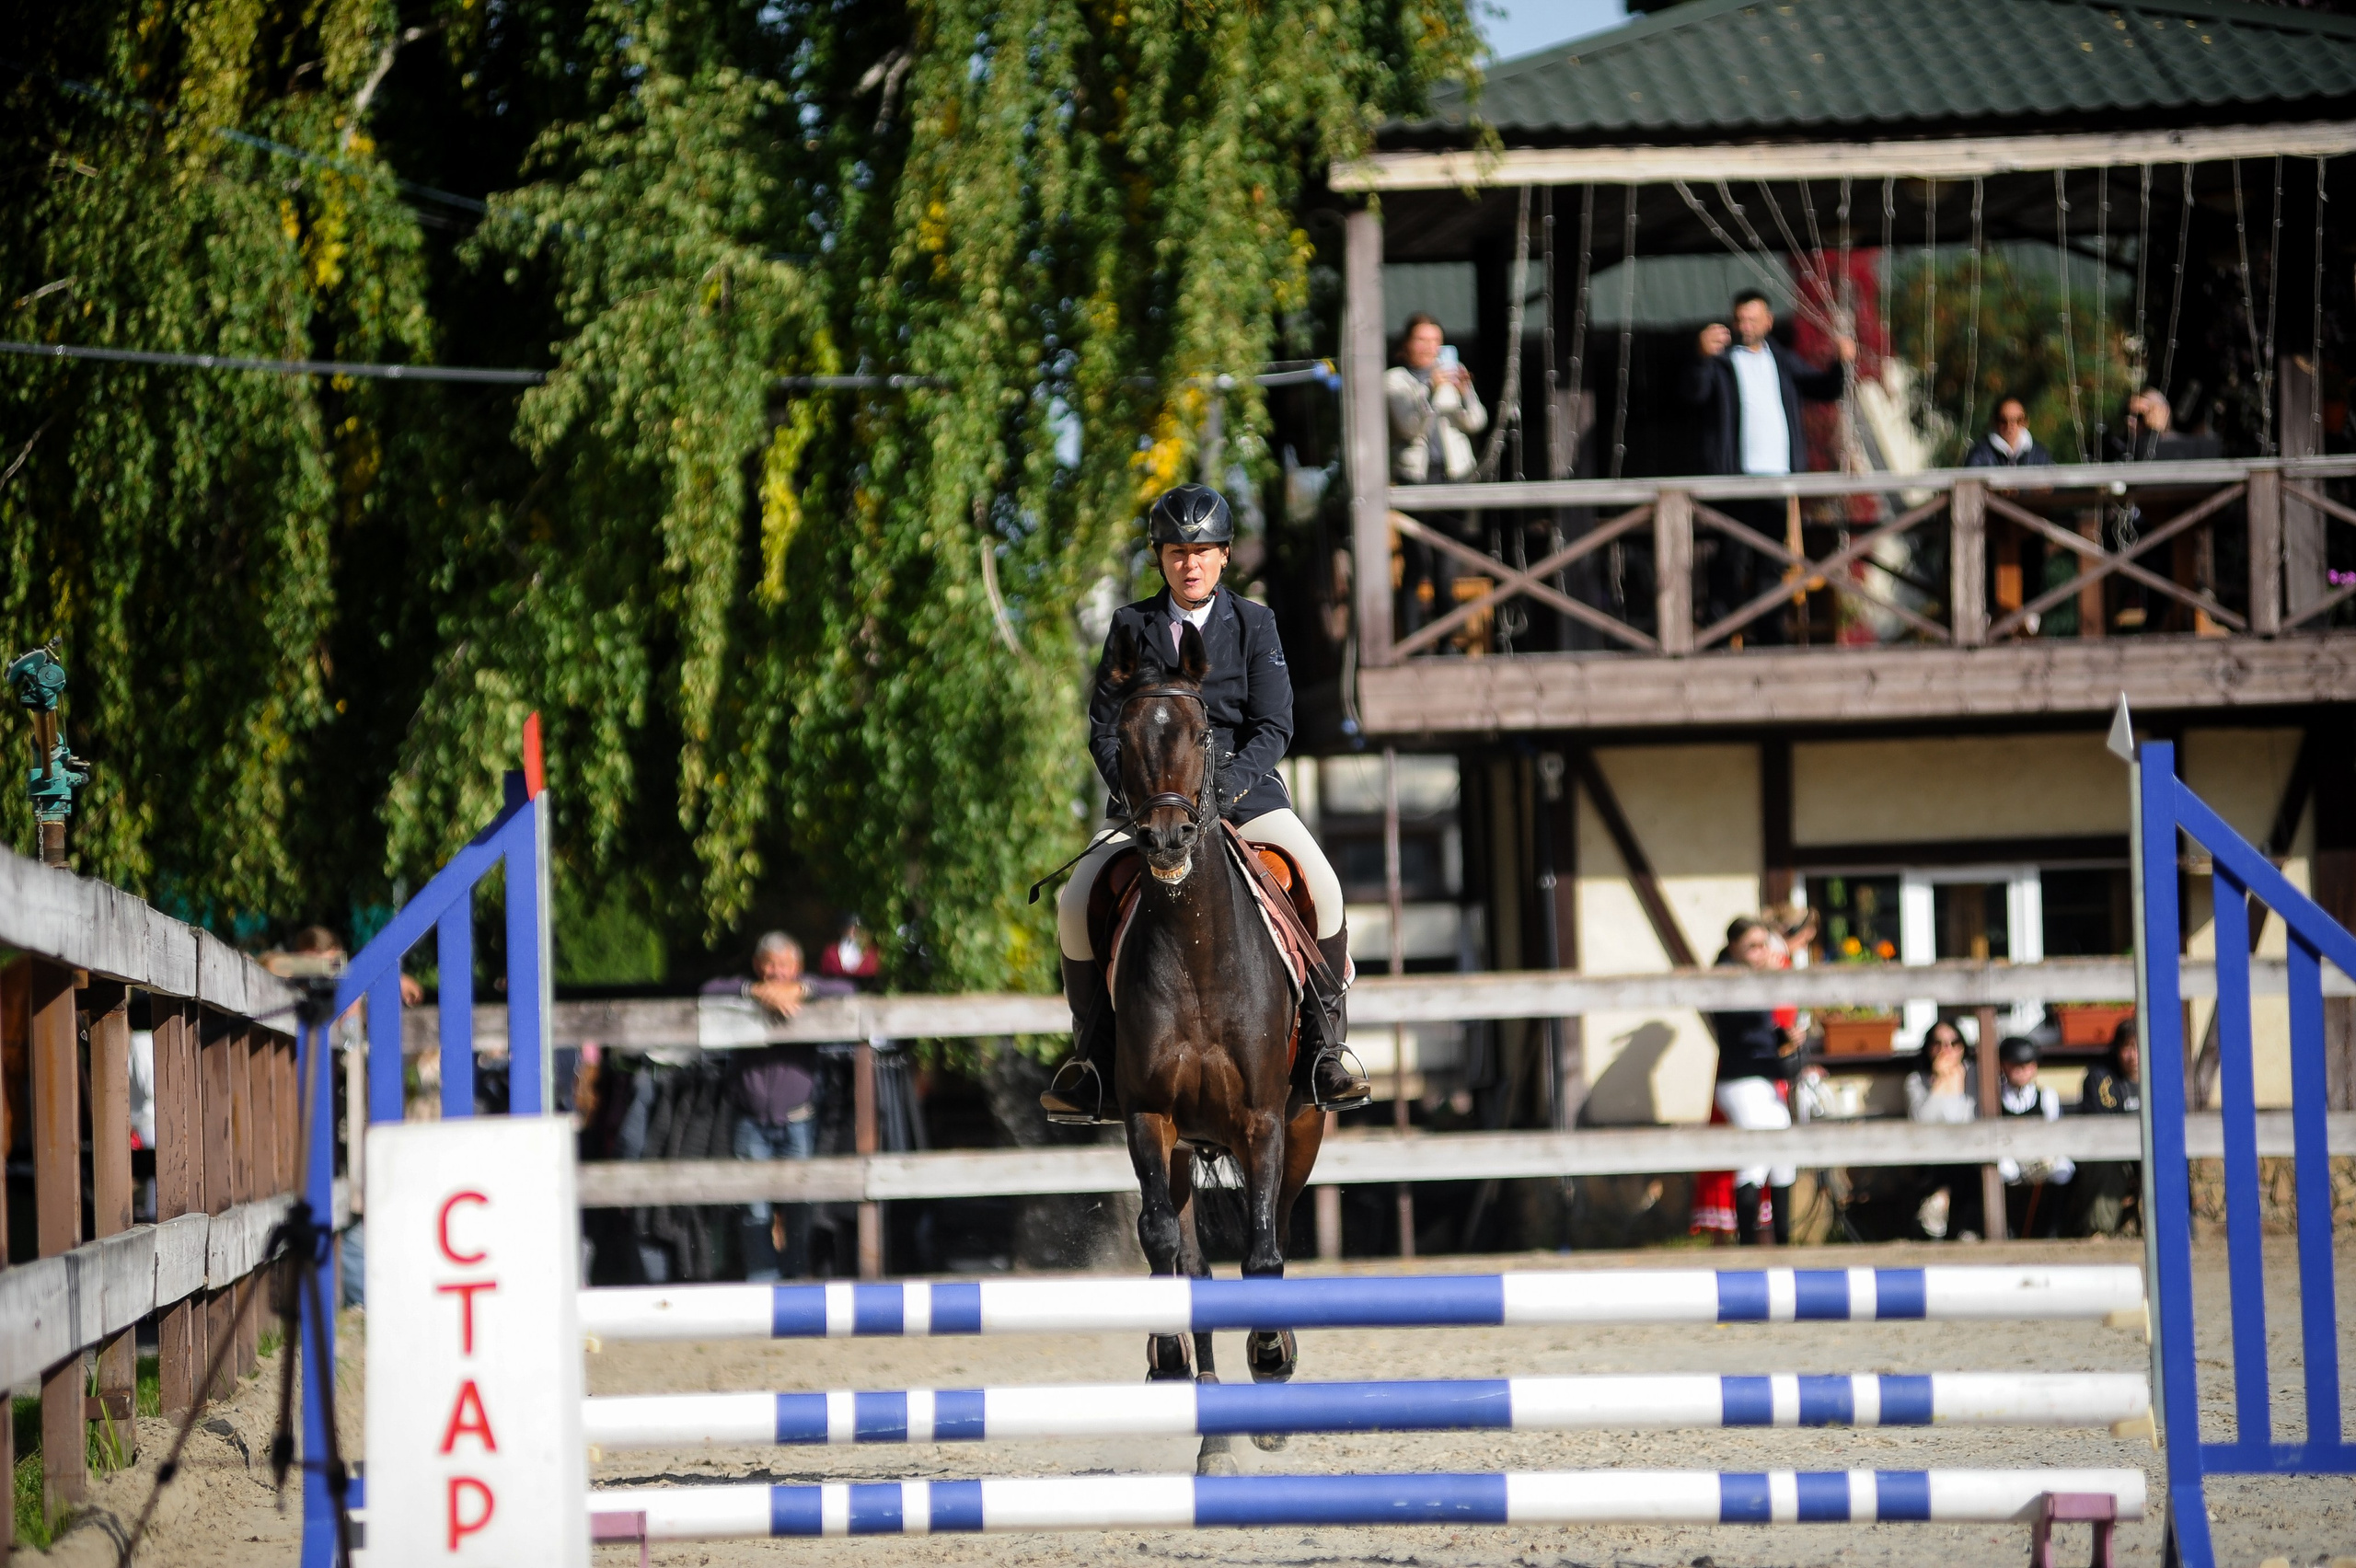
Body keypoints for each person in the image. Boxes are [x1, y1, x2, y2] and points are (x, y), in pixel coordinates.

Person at [1040, 483, 1369, 1124]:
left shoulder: (1254, 623)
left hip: (1243, 799)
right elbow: (1105, 729)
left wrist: (1223, 792)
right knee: (1074, 900)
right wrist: (1139, 795)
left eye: (1202, 551)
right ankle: (1092, 1060)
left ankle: (1326, 1052)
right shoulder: (1129, 627)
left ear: (1222, 558)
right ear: (1160, 558)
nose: (1189, 563)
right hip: (1151, 807)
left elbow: (1273, 727)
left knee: (1324, 889)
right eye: (1176, 552)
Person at [1681, 291, 1854, 641]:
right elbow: (1694, 394)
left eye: (1752, 318)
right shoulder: (1722, 360)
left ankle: (1769, 635)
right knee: (1731, 557)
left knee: (1772, 561)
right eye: (1740, 318)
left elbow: (1823, 389)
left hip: (1777, 479)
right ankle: (1718, 634)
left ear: (1767, 322)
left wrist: (1841, 362)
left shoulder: (1782, 360)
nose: (1745, 325)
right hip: (1736, 480)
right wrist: (1700, 356)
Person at [706, 932, 853, 1280]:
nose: (777, 972)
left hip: (798, 1119)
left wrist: (803, 990)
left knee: (801, 1205)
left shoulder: (808, 993)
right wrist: (752, 992)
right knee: (754, 1208)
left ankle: (796, 1283)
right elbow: (709, 990)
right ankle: (763, 1284)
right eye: (770, 964)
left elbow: (847, 992)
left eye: (785, 965)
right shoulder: (742, 994)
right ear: (758, 966)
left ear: (798, 968)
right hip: (750, 1120)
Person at [1384, 314, 1488, 641]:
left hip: (1453, 476)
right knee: (1416, 564)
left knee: (1447, 566)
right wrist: (1430, 390)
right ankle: (1413, 644)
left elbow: (1475, 422)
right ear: (1406, 346)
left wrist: (1464, 390)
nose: (1430, 348)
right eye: (1422, 340)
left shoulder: (1447, 378)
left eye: (1435, 341)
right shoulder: (1396, 382)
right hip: (1415, 479)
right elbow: (1409, 427)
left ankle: (1447, 644)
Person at [1703, 916, 1802, 1246]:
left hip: (1764, 1077)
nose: (1761, 952)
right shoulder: (1725, 978)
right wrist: (1768, 985)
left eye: (1764, 944)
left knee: (1784, 1157)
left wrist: (1785, 1037)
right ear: (1734, 948)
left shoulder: (1757, 979)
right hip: (1740, 1079)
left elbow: (1761, 1032)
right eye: (1753, 946)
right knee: (1756, 1158)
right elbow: (1740, 1025)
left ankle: (1783, 1243)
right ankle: (1748, 1247)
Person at [1905, 1019, 1982, 1239]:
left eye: (1953, 1043)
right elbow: (1920, 1120)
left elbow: (1973, 1118)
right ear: (1928, 1048)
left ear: (1963, 1046)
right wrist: (1939, 1082)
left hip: (1969, 1149)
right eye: (1937, 1044)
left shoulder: (1974, 1074)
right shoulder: (1916, 1081)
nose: (1945, 1050)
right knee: (1947, 1161)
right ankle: (1966, 1229)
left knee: (1967, 1163)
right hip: (1931, 1152)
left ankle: (1940, 1201)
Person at [1995, 1035, 2073, 1239]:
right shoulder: (1995, 1098)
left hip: (2040, 1156)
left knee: (2063, 1170)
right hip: (2009, 1155)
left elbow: (2054, 1131)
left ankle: (2053, 1230)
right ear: (2003, 1065)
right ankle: (2007, 1230)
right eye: (2015, 1065)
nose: (2021, 1071)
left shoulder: (2047, 1096)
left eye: (2028, 1065)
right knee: (2005, 1170)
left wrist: (2046, 1157)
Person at [2074, 1019, 2142, 1236]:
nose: (2134, 1056)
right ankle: (2099, 1232)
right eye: (2127, 1047)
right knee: (2104, 1162)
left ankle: (2174, 1228)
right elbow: (2101, 1129)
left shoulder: (2164, 1076)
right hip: (2114, 1151)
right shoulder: (2100, 1077)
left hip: (2149, 1150)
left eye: (2139, 1046)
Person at [1964, 398, 2055, 468]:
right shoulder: (1980, 453)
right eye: (2004, 421)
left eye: (2018, 420)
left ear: (2026, 422)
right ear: (1995, 423)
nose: (2011, 426)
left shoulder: (2039, 453)